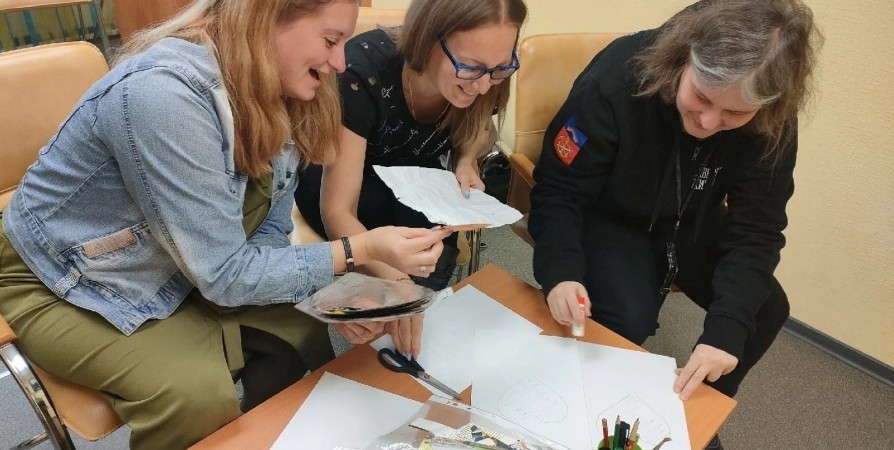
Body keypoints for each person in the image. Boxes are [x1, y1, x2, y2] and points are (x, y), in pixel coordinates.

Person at [0, 0, 451, 448]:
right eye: (331, 41)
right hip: (65, 278)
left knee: (301, 332)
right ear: (266, 17)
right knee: (195, 397)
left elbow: (266, 229)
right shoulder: (164, 96)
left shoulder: (276, 86)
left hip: (183, 261)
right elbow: (222, 276)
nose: (338, 63)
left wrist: (330, 298)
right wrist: (358, 252)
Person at [529, 1, 821, 447]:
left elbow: (757, 229)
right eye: (702, 97)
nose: (709, 122)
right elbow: (558, 190)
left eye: (736, 114)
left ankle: (691, 414)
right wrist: (561, 272)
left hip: (695, 215)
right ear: (683, 58)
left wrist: (725, 334)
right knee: (626, 315)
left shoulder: (772, 116)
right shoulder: (616, 80)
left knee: (762, 310)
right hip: (612, 212)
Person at [295, 0, 528, 295]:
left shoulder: (489, 72)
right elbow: (338, 212)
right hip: (343, 182)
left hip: (415, 179)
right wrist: (400, 286)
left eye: (500, 69)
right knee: (398, 268)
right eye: (470, 68)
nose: (482, 87)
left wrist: (466, 161)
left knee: (434, 243)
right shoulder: (361, 74)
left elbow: (477, 122)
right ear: (426, 39)